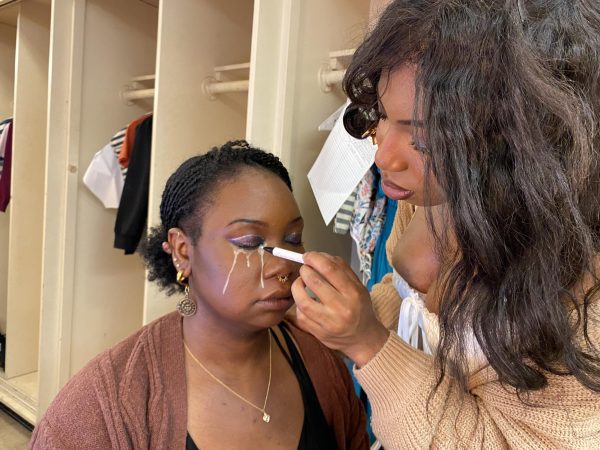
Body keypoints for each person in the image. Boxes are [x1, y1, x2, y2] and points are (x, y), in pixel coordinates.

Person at [291, 1, 600, 448]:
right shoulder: (432, 191)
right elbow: (406, 302)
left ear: (517, 138)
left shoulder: (583, 301)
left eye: (422, 137)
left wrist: (370, 345)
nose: (383, 157)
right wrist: (342, 313)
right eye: (383, 117)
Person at [30, 140, 369, 449]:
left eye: (293, 238)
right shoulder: (103, 406)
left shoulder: (321, 364)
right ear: (182, 250)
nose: (282, 266)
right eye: (250, 243)